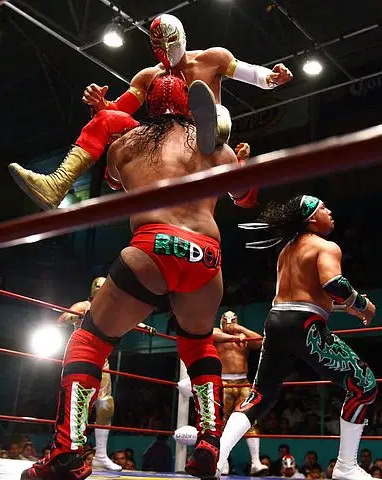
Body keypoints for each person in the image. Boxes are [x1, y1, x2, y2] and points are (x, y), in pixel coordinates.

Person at [20, 82, 258, 480]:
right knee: (199, 345)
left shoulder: (128, 143)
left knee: (89, 341)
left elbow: (116, 180)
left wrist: (109, 117)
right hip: (206, 254)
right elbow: (246, 197)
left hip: (153, 243)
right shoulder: (220, 149)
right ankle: (209, 443)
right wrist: (238, 163)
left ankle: (67, 451)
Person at [8, 13, 292, 210]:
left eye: (170, 42)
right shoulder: (148, 76)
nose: (165, 50)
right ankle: (57, 183)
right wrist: (100, 104)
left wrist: (273, 77)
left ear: (183, 37)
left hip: (200, 134)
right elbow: (118, 111)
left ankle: (215, 134)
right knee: (106, 119)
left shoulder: (212, 59)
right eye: (158, 44)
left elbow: (254, 74)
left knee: (219, 118)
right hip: (157, 134)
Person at [216, 195, 377, 480]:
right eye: (324, 207)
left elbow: (306, 296)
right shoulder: (326, 246)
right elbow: (335, 285)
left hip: (276, 321)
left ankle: (218, 456)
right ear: (311, 218)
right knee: (363, 385)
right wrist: (364, 306)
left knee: (260, 396)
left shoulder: (286, 250)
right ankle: (346, 466)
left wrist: (347, 307)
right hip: (305, 324)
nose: (330, 211)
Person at [56, 276, 157, 471]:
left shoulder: (112, 309)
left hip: (103, 362)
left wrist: (145, 327)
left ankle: (101, 455)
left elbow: (129, 320)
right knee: (79, 406)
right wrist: (71, 316)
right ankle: (70, 453)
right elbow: (61, 320)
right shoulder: (84, 305)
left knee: (106, 406)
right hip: (83, 359)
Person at [212, 310, 266, 475]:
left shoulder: (243, 336)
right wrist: (234, 337)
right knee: (223, 422)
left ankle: (256, 462)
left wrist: (240, 329)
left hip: (243, 382)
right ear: (221, 321)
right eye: (226, 321)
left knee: (250, 419)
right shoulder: (217, 332)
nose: (229, 324)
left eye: (232, 321)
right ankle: (223, 462)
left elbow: (260, 342)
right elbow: (212, 335)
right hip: (224, 382)